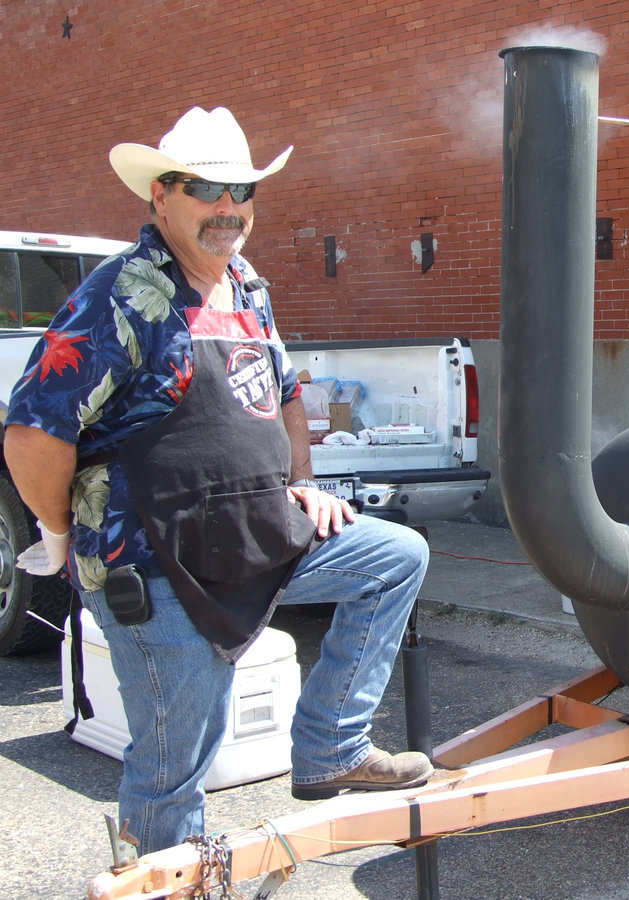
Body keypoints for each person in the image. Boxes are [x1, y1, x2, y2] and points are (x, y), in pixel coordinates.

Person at [3, 107, 433, 854]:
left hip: (256, 532)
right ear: (160, 196)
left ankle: (331, 744)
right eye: (205, 188)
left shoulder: (246, 284)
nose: (228, 206)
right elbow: (35, 432)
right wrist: (60, 531)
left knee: (394, 558)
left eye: (242, 190)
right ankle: (167, 877)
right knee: (175, 772)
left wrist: (305, 482)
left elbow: (284, 392)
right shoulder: (118, 296)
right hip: (153, 562)